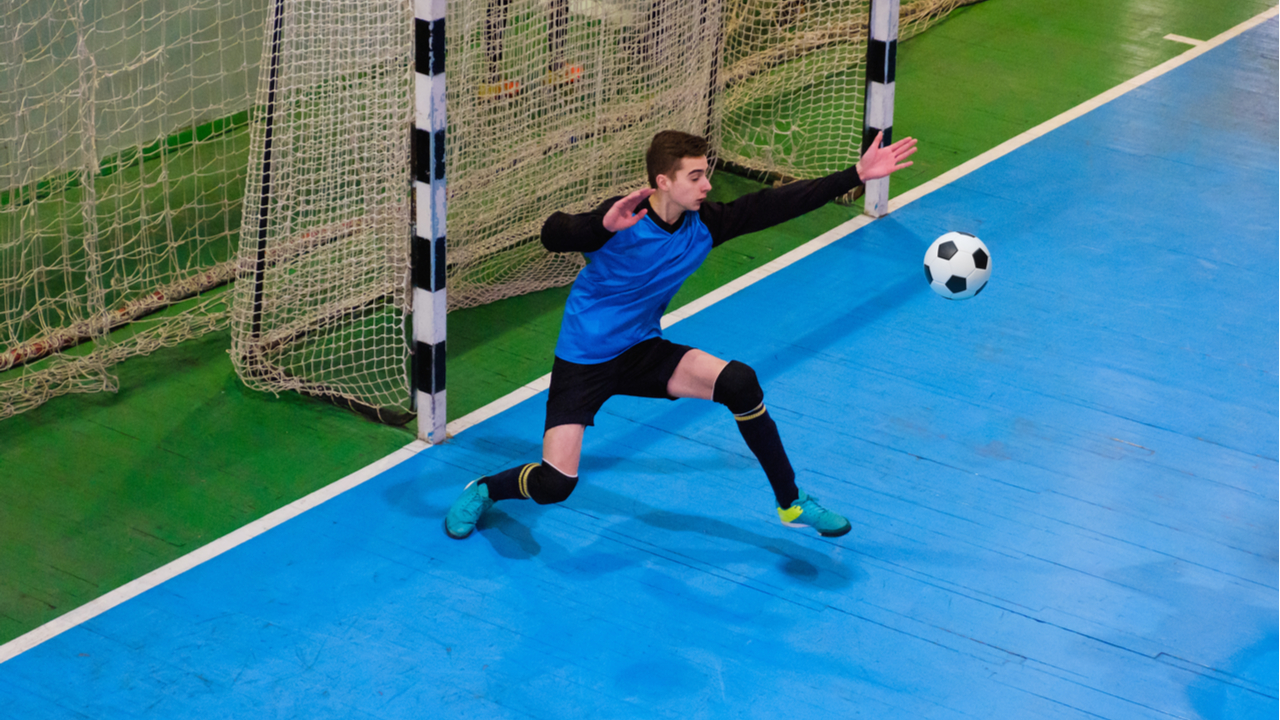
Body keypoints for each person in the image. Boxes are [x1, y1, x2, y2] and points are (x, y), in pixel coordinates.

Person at [445, 129, 917, 540]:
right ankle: (487, 489)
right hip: (584, 362)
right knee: (555, 485)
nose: (707, 184)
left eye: (706, 173)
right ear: (663, 181)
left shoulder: (704, 225)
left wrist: (855, 174)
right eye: (696, 176)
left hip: (642, 351)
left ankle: (791, 503)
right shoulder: (621, 221)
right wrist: (597, 225)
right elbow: (553, 232)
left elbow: (772, 205)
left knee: (740, 382)